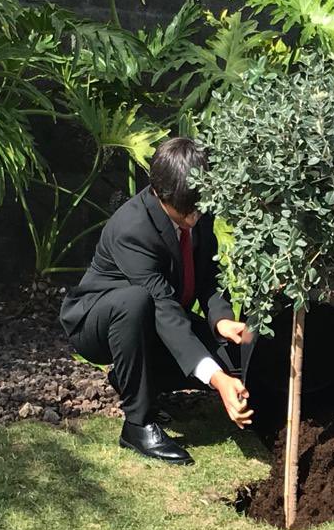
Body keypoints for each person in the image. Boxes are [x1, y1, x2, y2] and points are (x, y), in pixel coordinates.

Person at [60, 137, 252, 465]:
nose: (193, 218)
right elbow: (161, 306)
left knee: (237, 358)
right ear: (160, 194)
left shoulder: (194, 206)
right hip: (99, 320)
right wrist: (217, 380)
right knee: (135, 301)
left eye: (198, 207)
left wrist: (221, 319)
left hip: (156, 319)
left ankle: (132, 379)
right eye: (185, 211)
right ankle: (137, 424)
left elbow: (208, 276)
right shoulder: (132, 228)